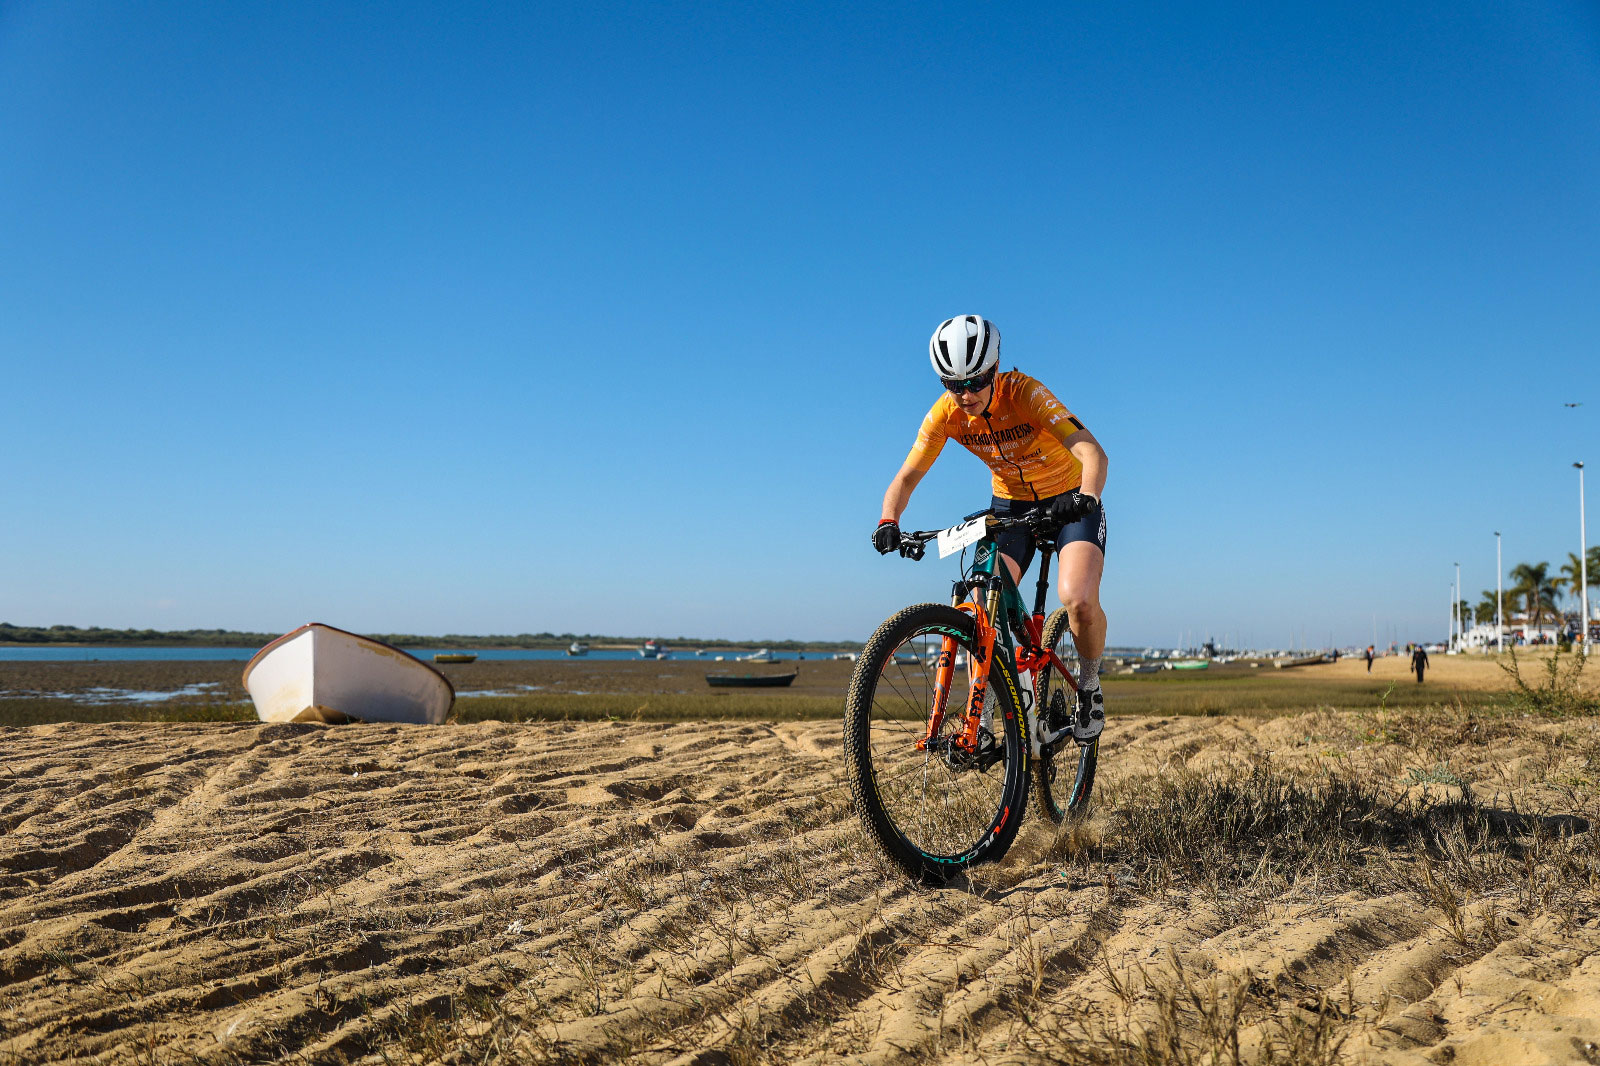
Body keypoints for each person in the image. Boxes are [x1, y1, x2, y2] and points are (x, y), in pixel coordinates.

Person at [871, 315, 1110, 742]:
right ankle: (979, 718)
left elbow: (1093, 454)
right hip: (1011, 505)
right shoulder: (946, 414)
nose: (965, 394)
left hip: (1069, 499)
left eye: (976, 381)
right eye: (952, 384)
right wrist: (889, 520)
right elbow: (905, 477)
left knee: (1077, 599)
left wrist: (1085, 497)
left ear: (995, 369)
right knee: (981, 605)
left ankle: (1089, 686)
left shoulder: (1027, 394)